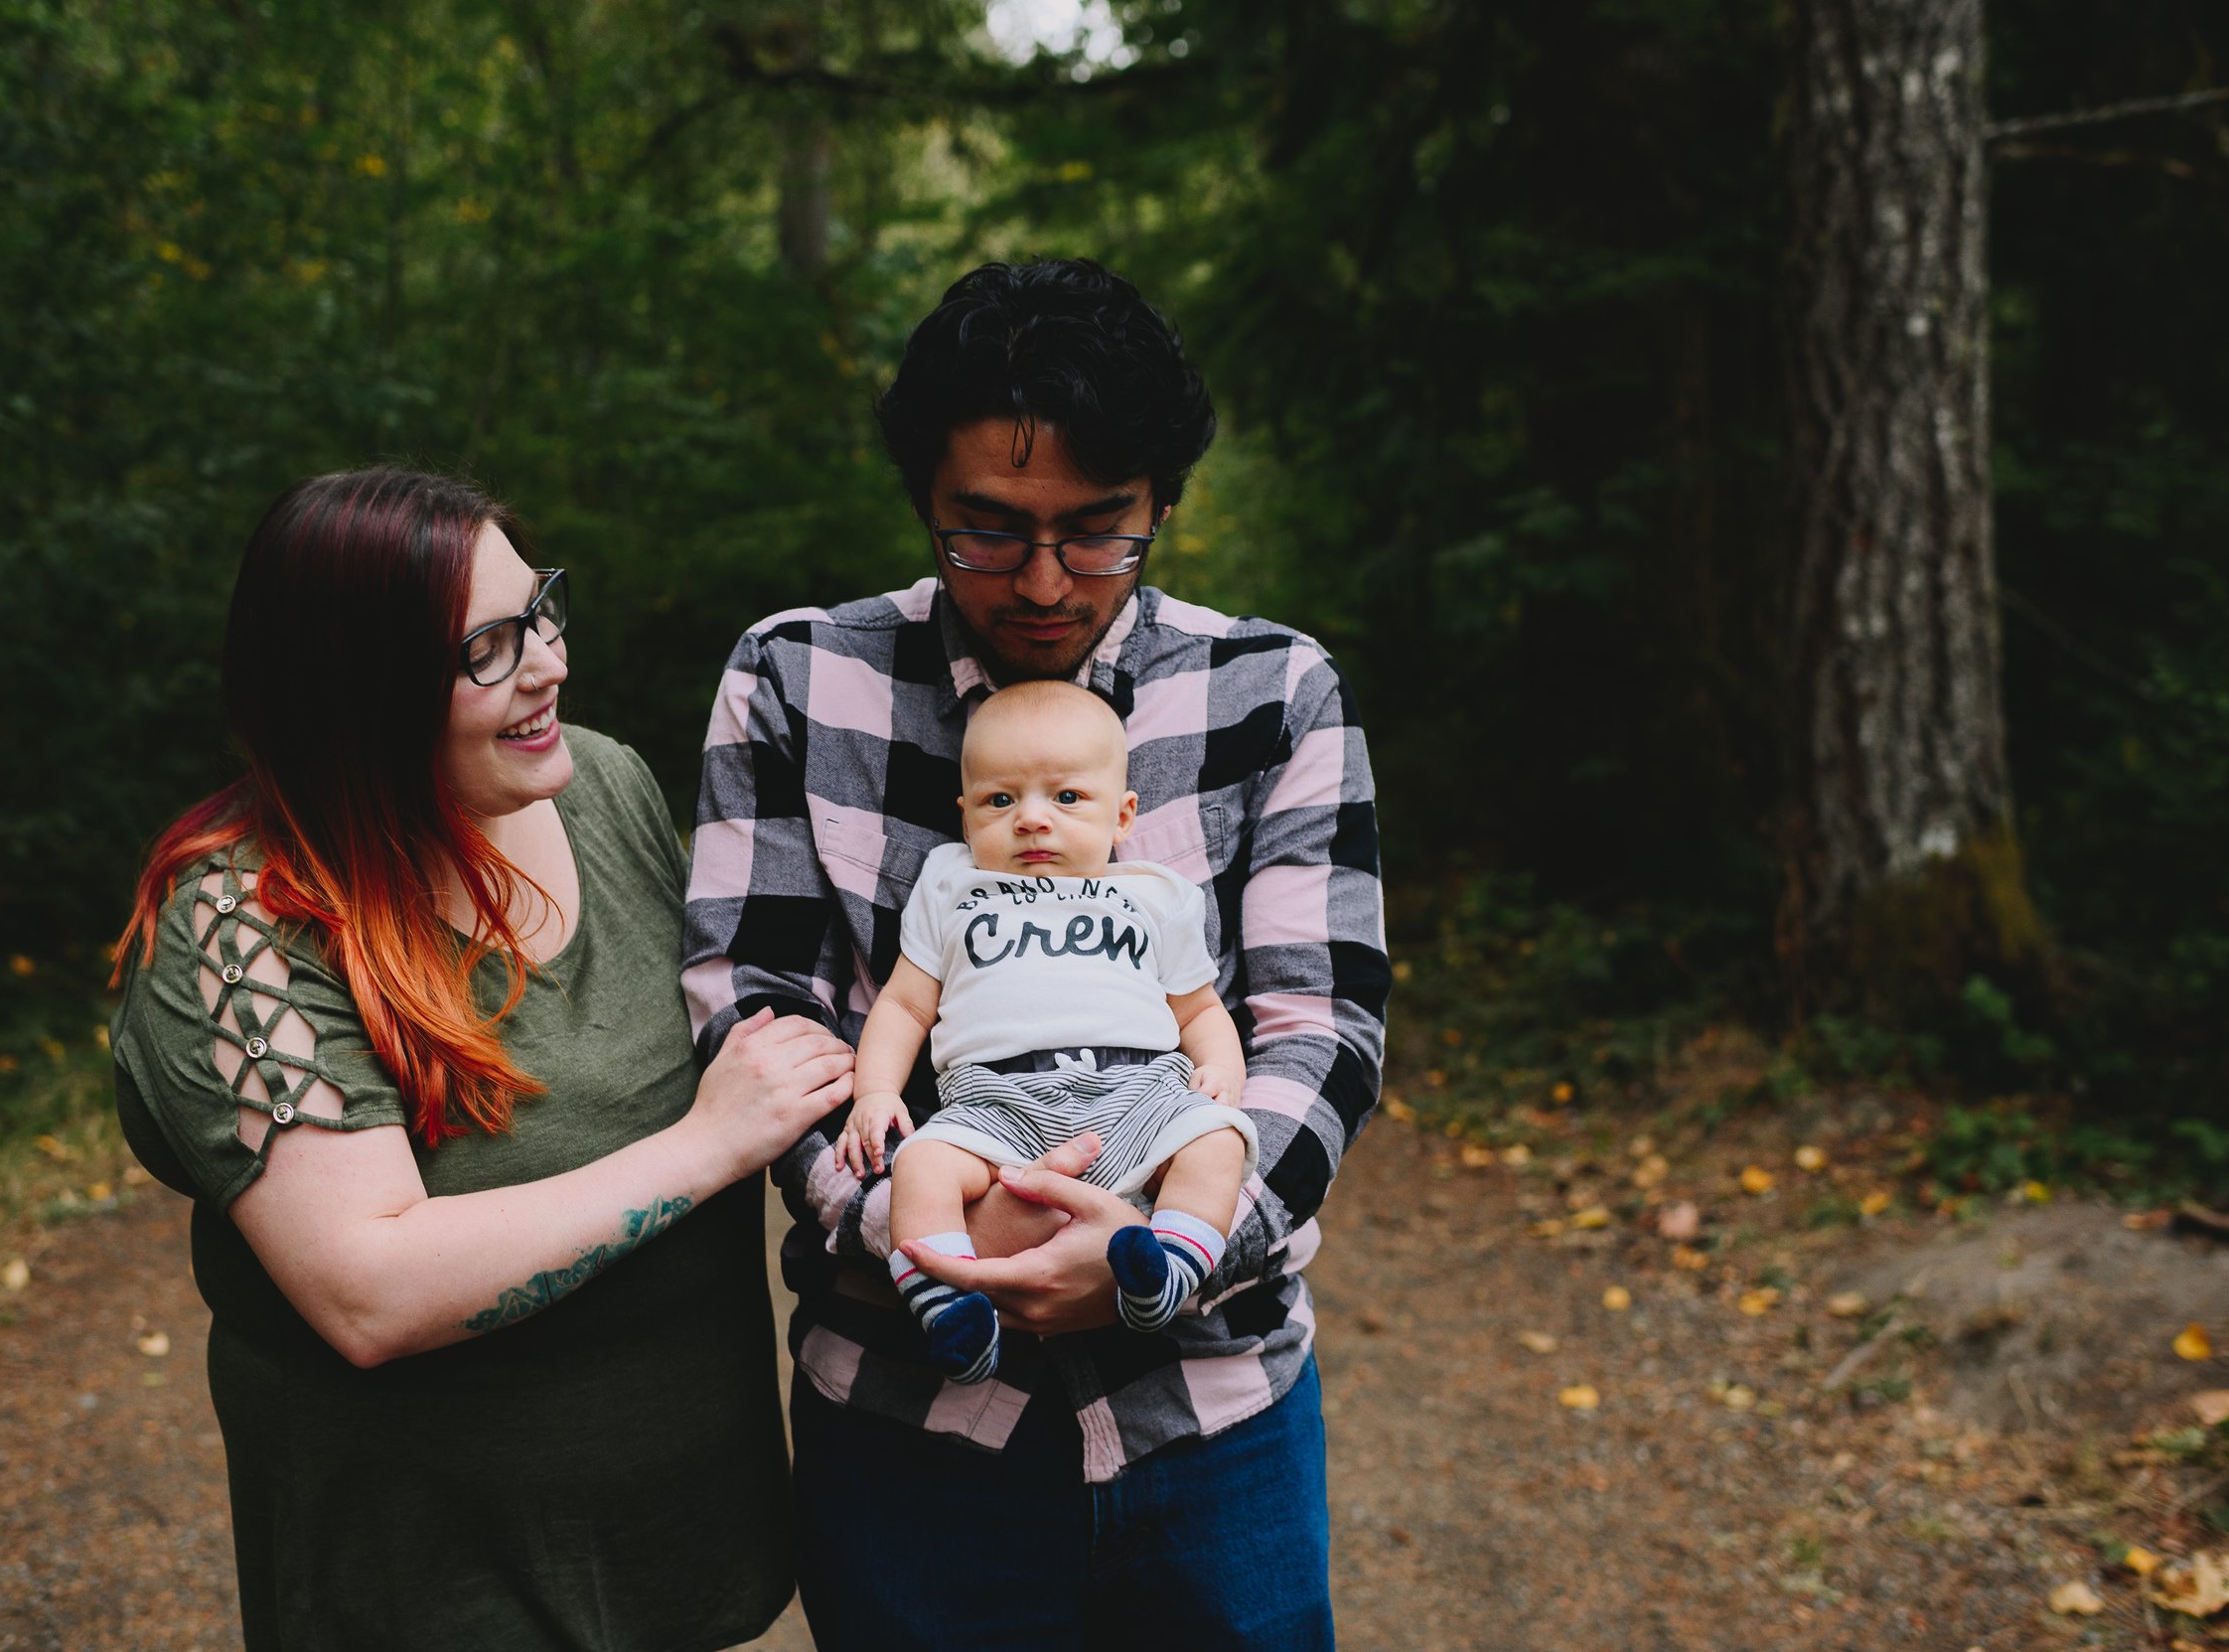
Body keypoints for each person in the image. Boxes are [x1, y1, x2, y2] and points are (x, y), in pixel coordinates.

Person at [682, 258, 1389, 1649]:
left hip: (1214, 1404)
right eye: (987, 532)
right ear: (922, 502)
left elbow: (1319, 1023)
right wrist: (930, 1232)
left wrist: (1173, 1240)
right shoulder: (795, 678)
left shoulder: (1274, 692)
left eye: (1100, 531)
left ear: (1163, 502)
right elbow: (754, 1012)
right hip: (907, 1421)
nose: (1048, 582)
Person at [108, 467, 853, 1652]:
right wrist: (708, 1144)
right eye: (487, 649)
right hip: (434, 1594)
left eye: (539, 608)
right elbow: (370, 1289)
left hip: (684, 1562)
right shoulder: (240, 924)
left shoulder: (600, 783)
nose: (548, 660)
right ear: (354, 693)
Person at [837, 680, 1258, 1387]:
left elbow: (1199, 1009)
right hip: (993, 1104)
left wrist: (1221, 1069)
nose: (1032, 820)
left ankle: (1169, 1271)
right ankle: (947, 1305)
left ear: (1122, 815)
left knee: (1218, 1140)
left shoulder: (1154, 895)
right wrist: (875, 1090)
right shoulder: (952, 885)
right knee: (922, 1166)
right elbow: (906, 1006)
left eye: (1066, 798)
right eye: (1002, 800)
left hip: (1137, 1093)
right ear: (966, 815)